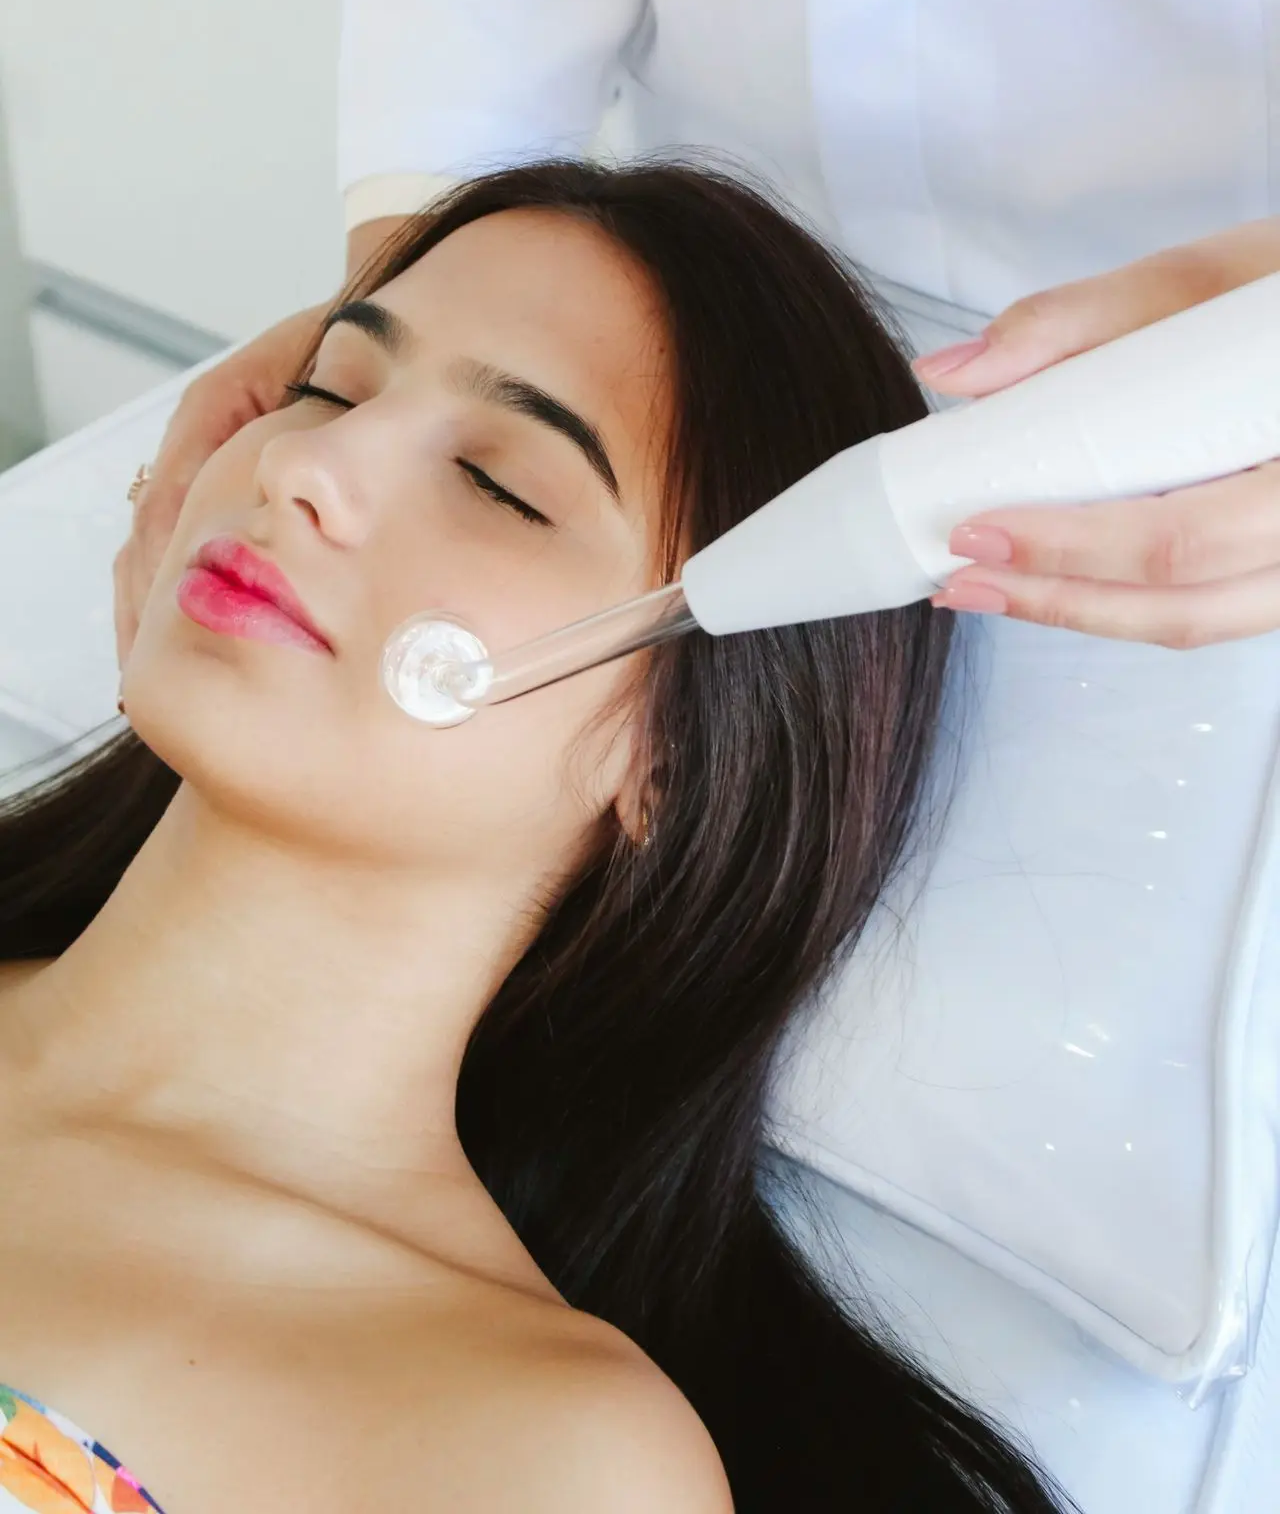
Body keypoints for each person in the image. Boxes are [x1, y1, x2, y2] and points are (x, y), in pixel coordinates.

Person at [0, 161, 1073, 1514]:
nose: (305, 464)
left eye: (501, 484)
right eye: (331, 384)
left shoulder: (537, 1456)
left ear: (673, 755)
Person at [112, 0, 1280, 666]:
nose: (300, 466)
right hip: (711, 336)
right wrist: (420, 283)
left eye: (497, 484)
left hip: (1217, 402)